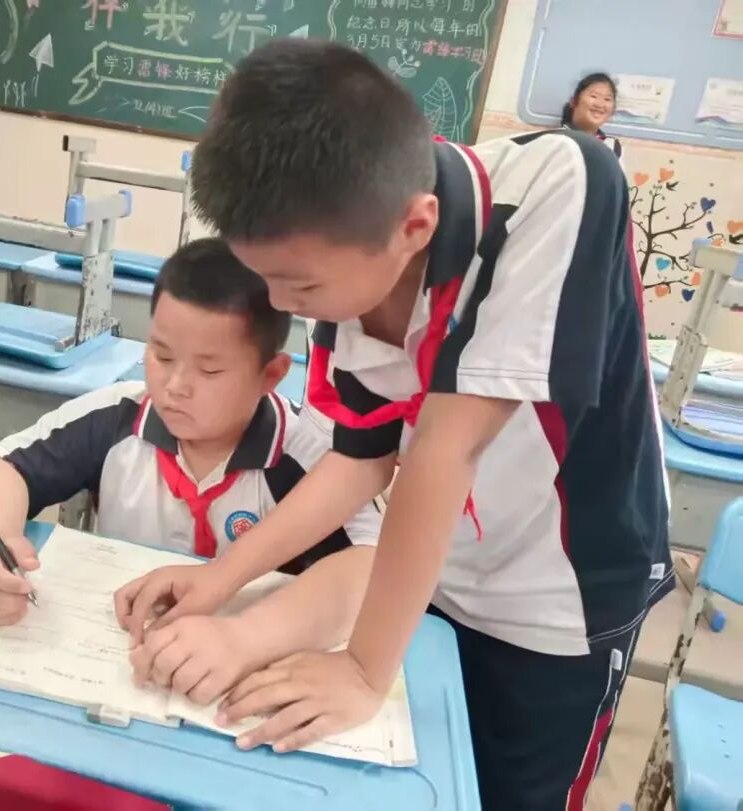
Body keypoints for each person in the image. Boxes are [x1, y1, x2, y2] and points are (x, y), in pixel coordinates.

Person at [117, 40, 671, 811]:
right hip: (429, 572)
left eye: (297, 284)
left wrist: (363, 667)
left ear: (415, 226)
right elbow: (360, 460)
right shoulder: (344, 252)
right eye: (267, 277)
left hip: (559, 600)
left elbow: (448, 447)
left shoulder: (563, 181)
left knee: (512, 794)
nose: (279, 304)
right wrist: (220, 577)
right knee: (415, 784)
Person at [0, 237, 381, 694]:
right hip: (115, 668)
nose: (175, 385)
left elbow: (372, 566)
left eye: (209, 370)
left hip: (237, 682)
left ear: (271, 374)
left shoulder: (311, 457)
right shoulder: (116, 418)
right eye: (161, 355)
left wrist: (251, 636)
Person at [562, 72, 622, 158]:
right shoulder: (557, 138)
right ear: (573, 101)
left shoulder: (612, 146)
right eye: (593, 96)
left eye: (607, 99)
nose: (600, 104)